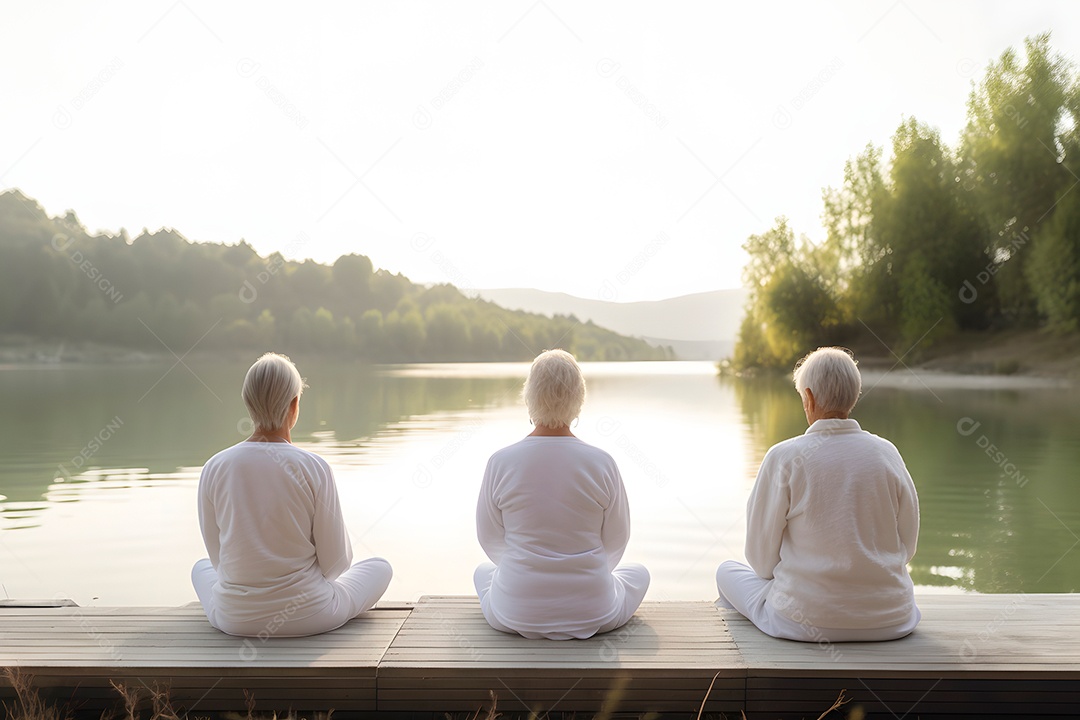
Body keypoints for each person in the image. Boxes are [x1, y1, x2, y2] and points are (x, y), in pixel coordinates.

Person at [716, 347, 920, 642]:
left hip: (802, 621)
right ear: (854, 396)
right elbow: (908, 546)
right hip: (892, 619)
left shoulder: (784, 457)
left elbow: (761, 563)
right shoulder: (887, 453)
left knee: (726, 572)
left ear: (809, 398)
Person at [192, 352, 392, 637]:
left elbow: (218, 561)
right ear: (294, 405)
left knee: (199, 568)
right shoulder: (314, 467)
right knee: (381, 567)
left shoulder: (215, 466)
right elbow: (336, 564)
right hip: (311, 614)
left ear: (248, 404)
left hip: (233, 619)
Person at [474, 349, 650, 640]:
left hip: (514, 614)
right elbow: (617, 540)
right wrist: (584, 576)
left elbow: (490, 538)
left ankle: (522, 596)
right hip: (596, 612)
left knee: (482, 572)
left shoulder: (500, 462)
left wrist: (526, 573)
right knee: (639, 573)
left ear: (529, 396)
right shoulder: (602, 462)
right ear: (579, 399)